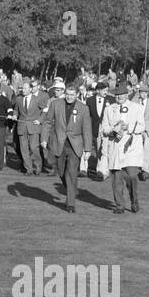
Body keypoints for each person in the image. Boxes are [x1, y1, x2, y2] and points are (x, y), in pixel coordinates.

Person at [43, 81, 94, 212]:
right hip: (59, 143)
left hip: (75, 146)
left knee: (71, 173)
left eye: (72, 94)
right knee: (61, 172)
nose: (69, 97)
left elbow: (87, 130)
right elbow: (47, 122)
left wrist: (88, 149)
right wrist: (44, 138)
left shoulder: (83, 108)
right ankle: (71, 189)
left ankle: (70, 203)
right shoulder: (55, 104)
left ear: (77, 95)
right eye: (67, 94)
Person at [100, 80, 145, 214]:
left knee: (131, 176)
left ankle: (134, 200)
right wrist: (113, 131)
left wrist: (128, 128)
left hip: (131, 147)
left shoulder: (137, 108)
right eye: (117, 95)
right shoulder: (109, 109)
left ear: (127, 94)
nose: (119, 97)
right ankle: (119, 205)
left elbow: (141, 126)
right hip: (115, 147)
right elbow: (104, 128)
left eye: (122, 94)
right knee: (116, 179)